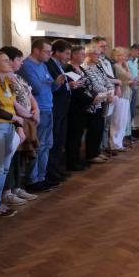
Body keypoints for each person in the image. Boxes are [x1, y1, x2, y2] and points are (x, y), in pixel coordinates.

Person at [18, 39, 65, 192]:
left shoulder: (43, 65)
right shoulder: (27, 66)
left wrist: (57, 82)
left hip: (48, 107)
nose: (49, 54)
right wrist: (50, 83)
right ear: (36, 50)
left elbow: (52, 87)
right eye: (46, 51)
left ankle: (42, 178)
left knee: (47, 146)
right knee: (37, 146)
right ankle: (32, 180)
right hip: (37, 111)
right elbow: (36, 89)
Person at [0, 51, 24, 218]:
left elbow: (13, 104)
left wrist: (16, 123)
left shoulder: (7, 81)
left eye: (9, 61)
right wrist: (15, 118)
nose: (9, 64)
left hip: (9, 127)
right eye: (5, 61)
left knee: (4, 168)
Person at [0, 46, 39, 205]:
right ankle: (7, 191)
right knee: (11, 157)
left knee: (20, 156)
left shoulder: (18, 77)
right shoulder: (4, 79)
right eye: (18, 60)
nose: (21, 63)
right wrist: (27, 115)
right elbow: (13, 102)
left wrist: (36, 109)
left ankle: (17, 187)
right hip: (16, 121)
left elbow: (29, 94)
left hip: (26, 119)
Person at [46, 39, 78, 183]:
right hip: (56, 107)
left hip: (63, 107)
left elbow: (61, 83)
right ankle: (50, 172)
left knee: (60, 140)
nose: (68, 57)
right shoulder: (49, 64)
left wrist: (69, 85)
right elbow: (51, 86)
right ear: (57, 52)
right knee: (54, 141)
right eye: (66, 53)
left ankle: (57, 169)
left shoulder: (59, 65)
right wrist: (65, 85)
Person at [82, 44, 115, 164]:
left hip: (103, 101)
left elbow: (107, 80)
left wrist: (110, 92)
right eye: (96, 54)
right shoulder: (85, 68)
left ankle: (97, 151)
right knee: (93, 129)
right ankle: (91, 154)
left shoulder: (98, 66)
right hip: (94, 103)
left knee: (100, 128)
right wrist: (108, 93)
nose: (99, 57)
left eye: (99, 54)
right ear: (88, 54)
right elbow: (94, 85)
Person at [65, 45, 95, 171]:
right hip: (74, 106)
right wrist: (90, 99)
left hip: (83, 105)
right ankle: (72, 162)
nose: (84, 56)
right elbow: (75, 89)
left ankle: (77, 159)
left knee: (79, 135)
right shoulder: (68, 68)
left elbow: (86, 84)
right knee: (73, 136)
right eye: (82, 54)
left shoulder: (81, 68)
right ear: (74, 55)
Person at [109, 48, 133, 152]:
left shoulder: (121, 66)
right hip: (120, 95)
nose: (124, 57)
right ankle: (115, 144)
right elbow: (129, 76)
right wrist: (127, 66)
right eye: (121, 55)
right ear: (116, 56)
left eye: (124, 55)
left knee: (123, 121)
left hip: (126, 95)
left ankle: (119, 143)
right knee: (118, 120)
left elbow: (129, 78)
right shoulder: (116, 66)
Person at [126, 43, 139, 144]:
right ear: (132, 50)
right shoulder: (126, 61)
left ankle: (130, 134)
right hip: (128, 88)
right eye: (138, 52)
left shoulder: (135, 61)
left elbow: (136, 73)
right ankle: (126, 136)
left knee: (132, 112)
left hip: (134, 87)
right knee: (127, 112)